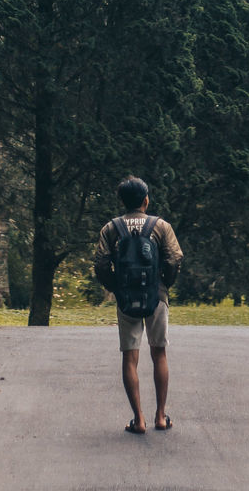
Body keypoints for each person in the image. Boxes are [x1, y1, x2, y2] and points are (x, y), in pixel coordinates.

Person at [94, 175, 183, 435]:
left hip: (126, 299)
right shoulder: (161, 226)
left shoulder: (111, 228)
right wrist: (165, 283)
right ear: (146, 200)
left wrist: (115, 287)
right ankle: (160, 416)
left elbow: (100, 263)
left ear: (123, 202)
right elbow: (175, 258)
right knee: (159, 354)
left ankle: (139, 419)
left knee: (130, 358)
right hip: (156, 295)